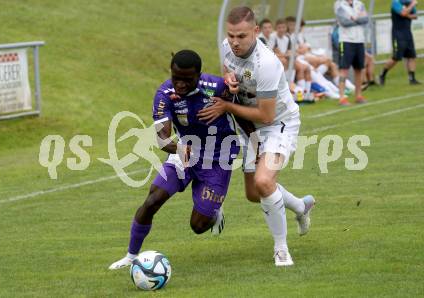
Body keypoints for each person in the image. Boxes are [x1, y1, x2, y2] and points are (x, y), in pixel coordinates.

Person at [198, 7, 315, 267]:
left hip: (277, 124)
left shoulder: (268, 63)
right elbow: (226, 68)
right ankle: (300, 206)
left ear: (256, 31)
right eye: (231, 36)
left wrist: (226, 106)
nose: (235, 42)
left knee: (263, 181)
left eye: (241, 36)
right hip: (249, 128)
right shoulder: (227, 46)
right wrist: (228, 79)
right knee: (254, 193)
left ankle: (281, 249)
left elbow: (266, 115)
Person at [109, 50, 240, 270]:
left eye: (187, 80)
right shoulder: (165, 93)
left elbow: (242, 107)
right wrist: (176, 147)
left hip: (218, 159)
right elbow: (162, 138)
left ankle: (215, 214)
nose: (180, 84)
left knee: (198, 226)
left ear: (199, 75)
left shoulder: (216, 87)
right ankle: (131, 256)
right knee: (152, 200)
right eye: (176, 77)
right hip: (184, 153)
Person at [335, 0, 369, 106]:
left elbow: (366, 19)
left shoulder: (360, 4)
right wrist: (358, 19)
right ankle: (342, 97)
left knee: (359, 69)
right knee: (344, 69)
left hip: (359, 40)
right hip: (346, 41)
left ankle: (358, 95)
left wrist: (354, 19)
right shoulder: (339, 5)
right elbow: (344, 22)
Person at [379, 0, 420, 85]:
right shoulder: (396, 2)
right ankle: (382, 74)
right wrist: (412, 5)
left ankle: (412, 79)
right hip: (398, 34)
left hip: (408, 33)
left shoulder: (409, 2)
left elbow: (415, 16)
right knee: (396, 57)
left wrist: (406, 13)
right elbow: (403, 13)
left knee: (411, 56)